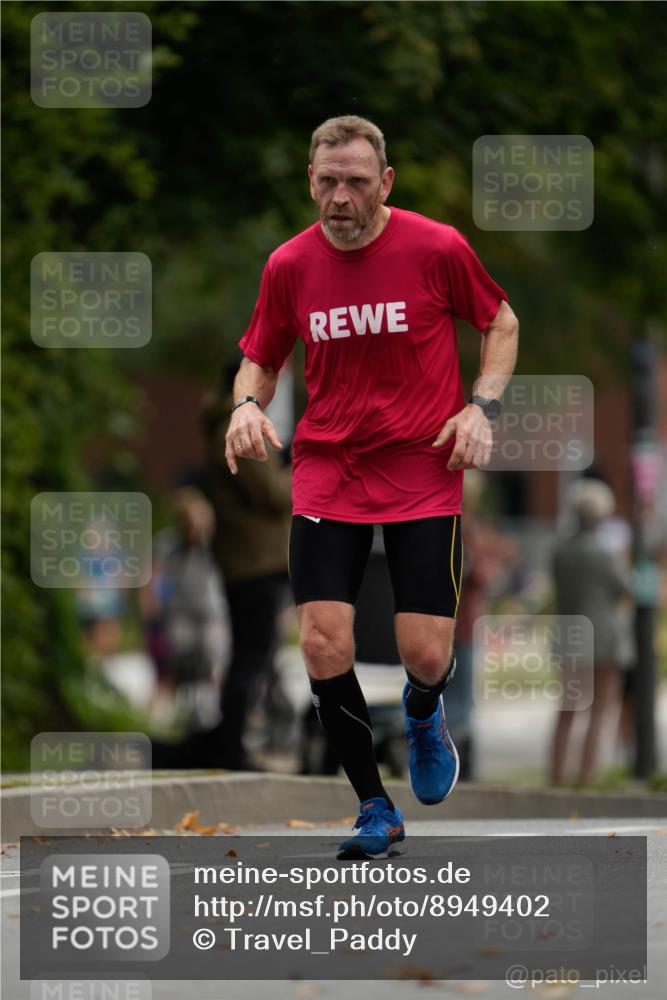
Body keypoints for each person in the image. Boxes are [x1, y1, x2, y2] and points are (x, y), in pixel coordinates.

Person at [225, 115, 519, 857]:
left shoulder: (436, 247)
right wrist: (246, 405)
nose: (340, 197)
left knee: (426, 654)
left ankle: (424, 711)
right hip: (329, 468)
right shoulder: (289, 265)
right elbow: (261, 356)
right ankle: (373, 806)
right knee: (322, 642)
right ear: (310, 181)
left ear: (384, 183)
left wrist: (480, 407)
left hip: (422, 463)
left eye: (356, 182)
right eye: (327, 181)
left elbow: (500, 322)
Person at [202, 375, 293, 770]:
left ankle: (231, 741)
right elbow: (273, 493)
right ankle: (232, 746)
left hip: (246, 560)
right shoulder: (238, 425)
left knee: (250, 656)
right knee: (250, 657)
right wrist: (302, 466)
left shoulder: (221, 422)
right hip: (254, 563)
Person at [550, 479, 635, 786]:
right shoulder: (606, 555)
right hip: (603, 638)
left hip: (569, 635)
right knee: (599, 710)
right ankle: (587, 775)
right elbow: (627, 588)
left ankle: (558, 773)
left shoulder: (560, 552)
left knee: (568, 708)